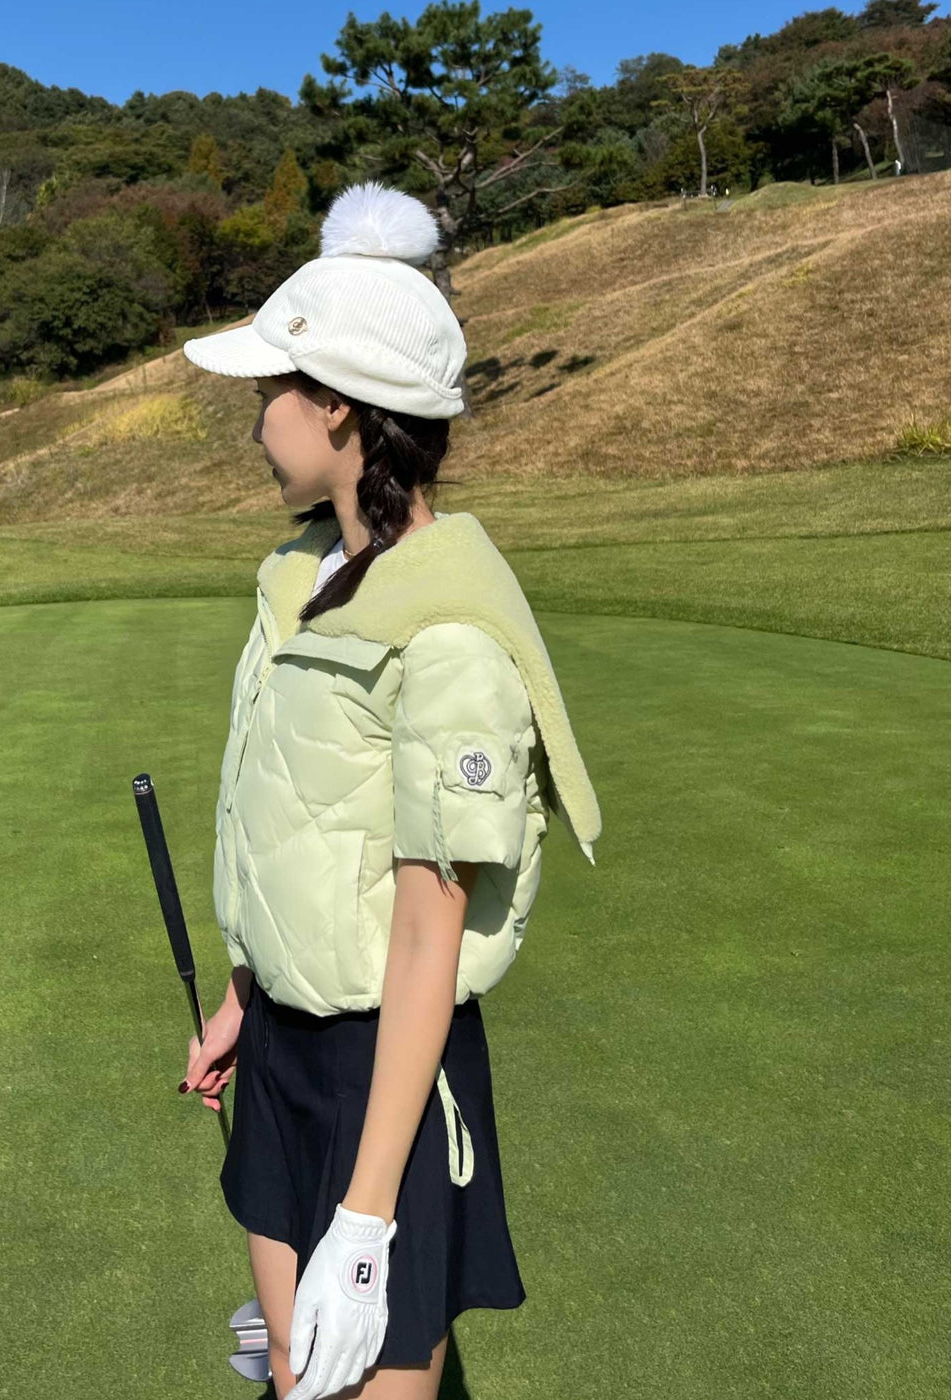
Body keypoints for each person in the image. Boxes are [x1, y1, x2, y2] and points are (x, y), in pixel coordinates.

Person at [178, 181, 603, 1400]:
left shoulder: (449, 634)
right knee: (297, 1381)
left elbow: (426, 933)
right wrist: (242, 989)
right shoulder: (299, 577)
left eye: (271, 391)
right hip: (281, 1051)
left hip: (387, 1083)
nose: (256, 415)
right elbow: (293, 822)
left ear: (340, 408)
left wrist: (366, 1223)